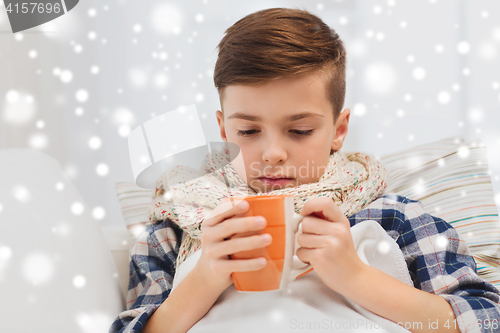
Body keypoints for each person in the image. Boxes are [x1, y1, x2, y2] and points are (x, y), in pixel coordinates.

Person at [109, 7, 500, 333]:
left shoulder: (396, 218)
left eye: (299, 131)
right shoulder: (173, 231)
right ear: (222, 129)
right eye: (247, 130)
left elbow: (483, 321)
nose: (273, 153)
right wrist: (204, 279)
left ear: (339, 130)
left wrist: (356, 278)